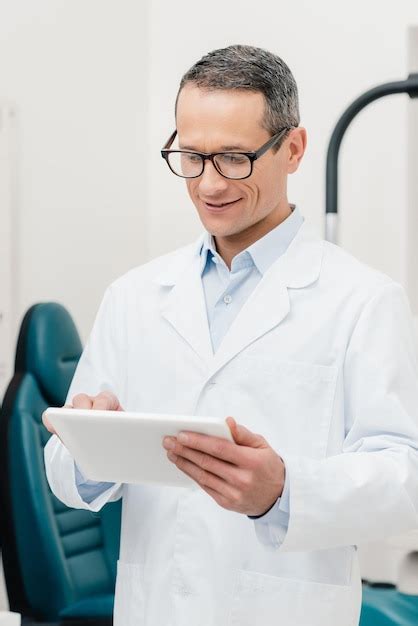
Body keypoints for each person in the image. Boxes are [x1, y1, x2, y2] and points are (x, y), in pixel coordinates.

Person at [43, 44, 418, 626]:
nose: (209, 184)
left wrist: (284, 491)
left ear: (292, 149)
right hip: (154, 608)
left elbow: (404, 475)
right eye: (191, 156)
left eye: (234, 159)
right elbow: (66, 476)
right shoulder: (135, 296)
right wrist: (89, 449)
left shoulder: (362, 299)